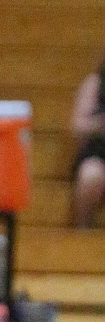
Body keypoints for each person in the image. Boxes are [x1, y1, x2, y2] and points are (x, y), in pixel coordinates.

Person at [71, 56, 105, 227]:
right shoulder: (95, 84)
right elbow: (77, 127)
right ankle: (82, 234)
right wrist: (99, 123)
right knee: (90, 176)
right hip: (98, 153)